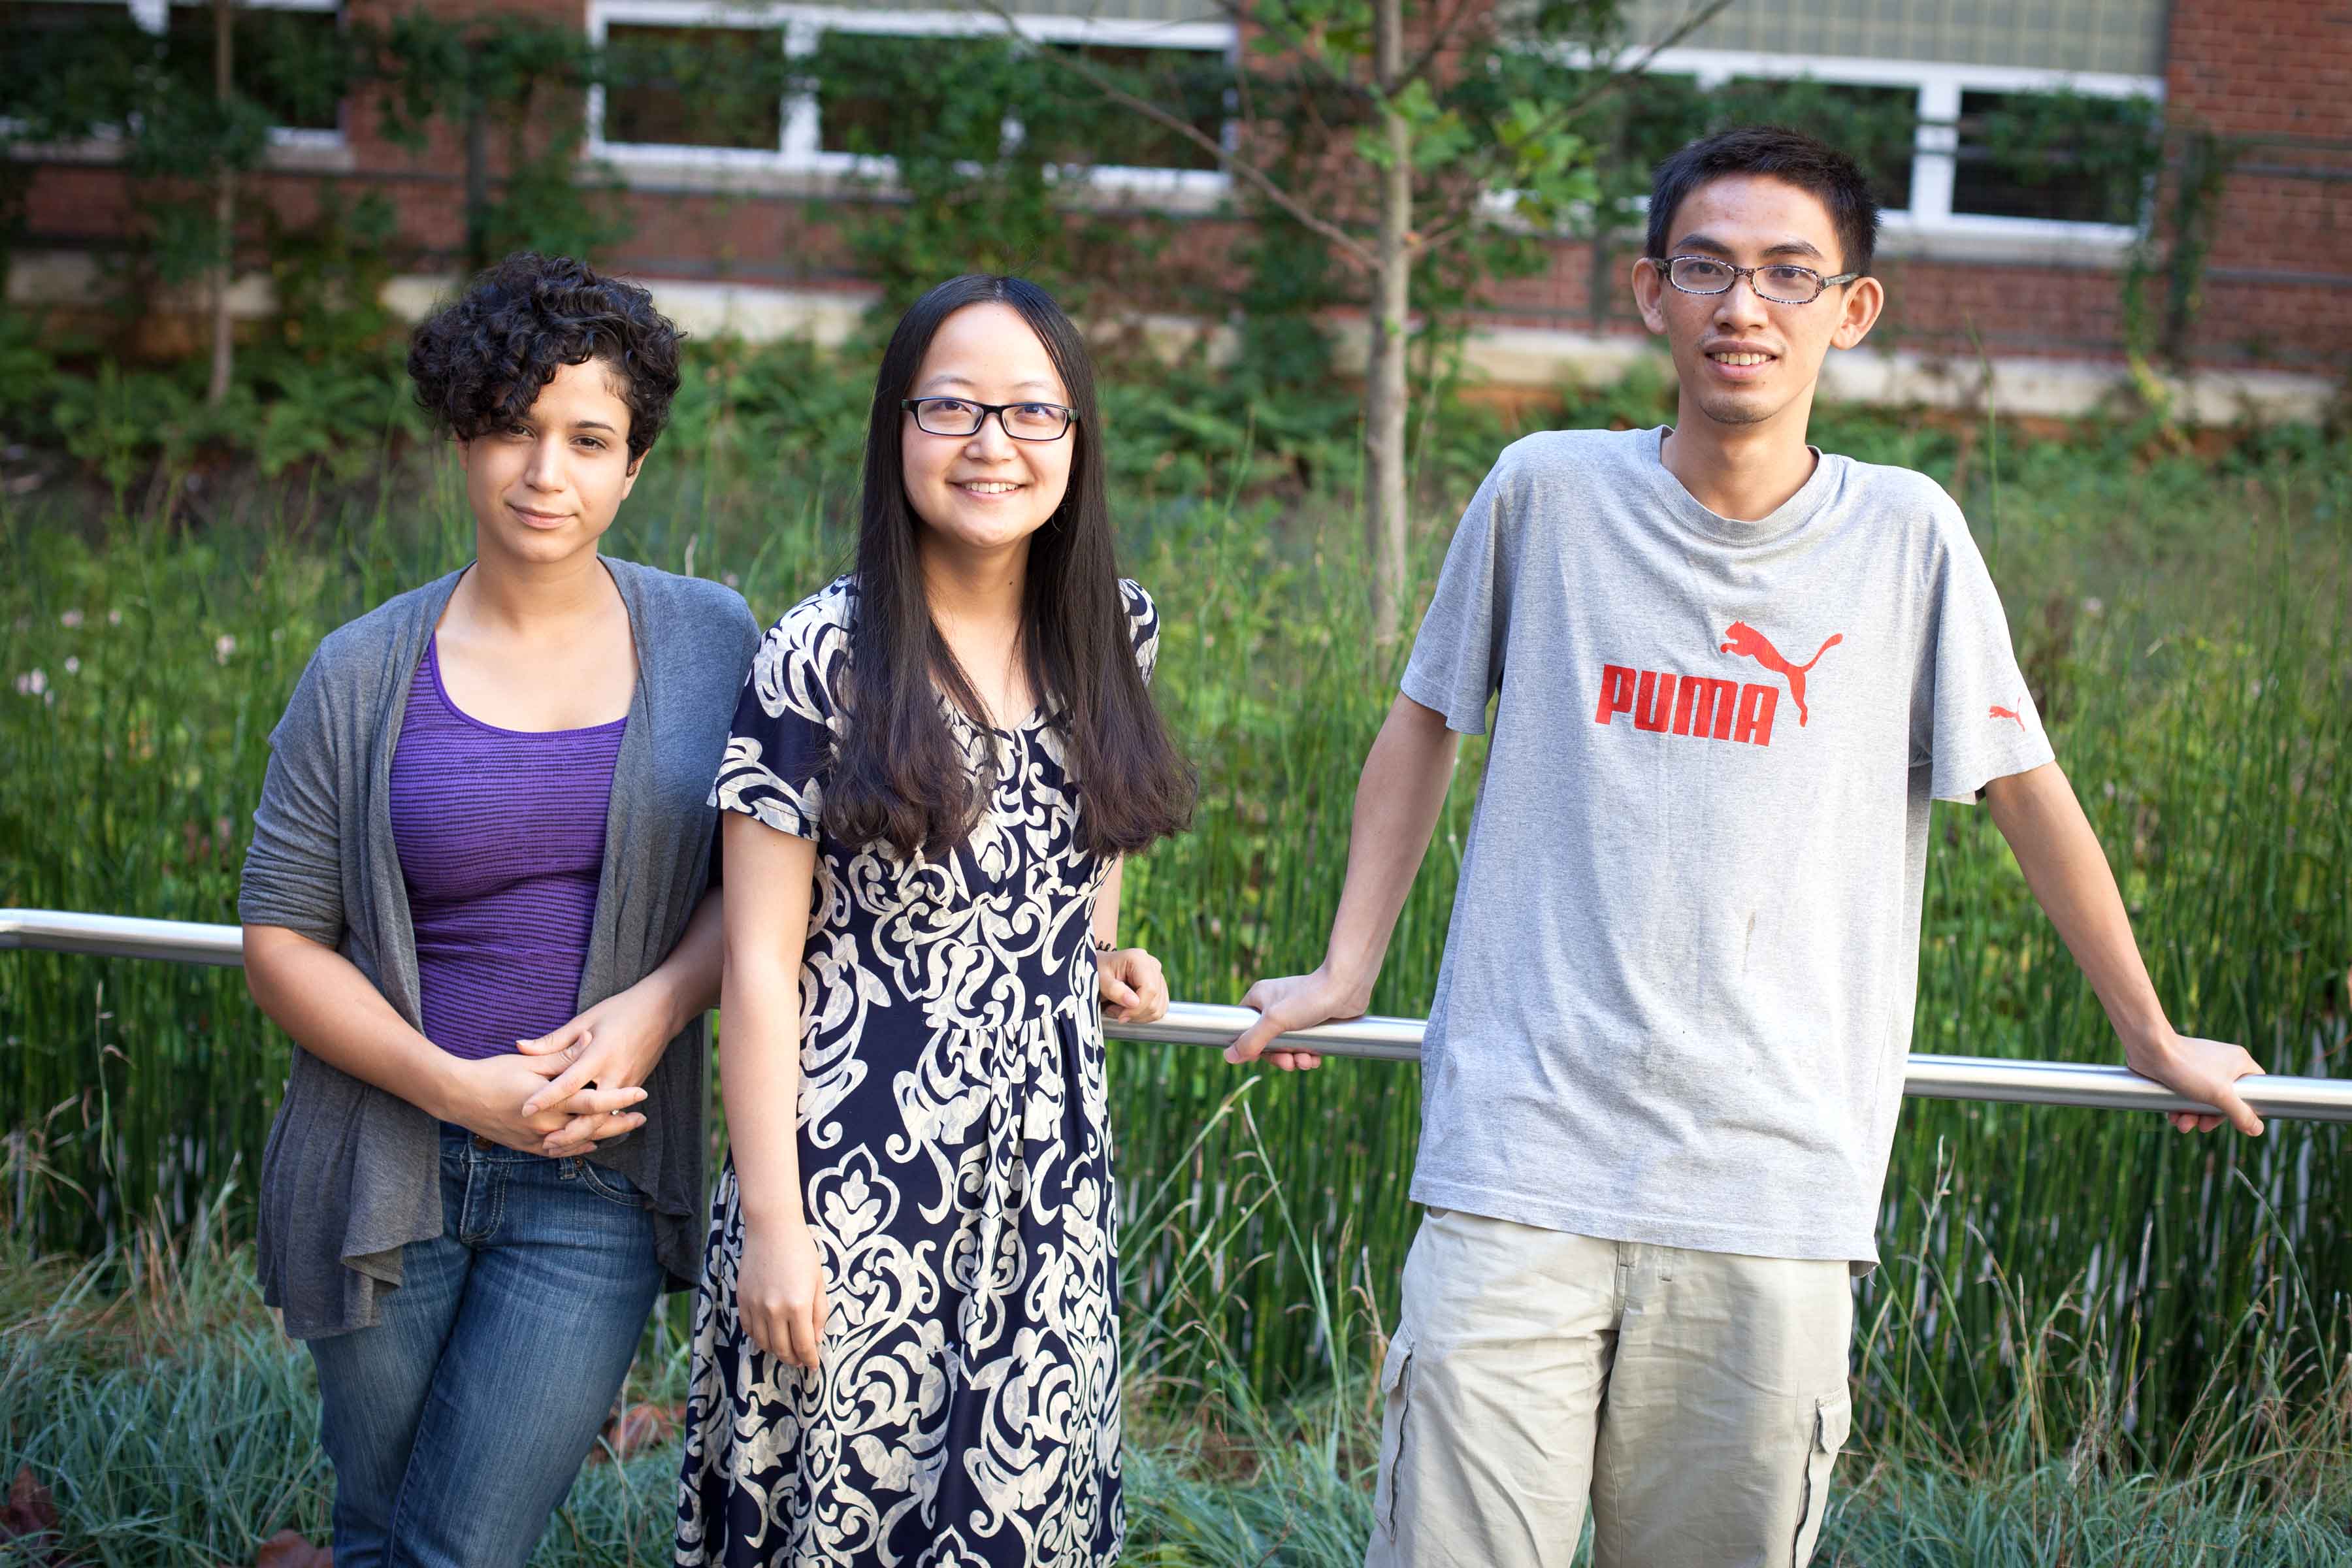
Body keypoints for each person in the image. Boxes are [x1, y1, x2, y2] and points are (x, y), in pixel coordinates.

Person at [1226, 127, 2268, 1568]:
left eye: (1790, 274)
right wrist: (1348, 964)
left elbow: (2030, 793)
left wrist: (2150, 1033)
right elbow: (1421, 723)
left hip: (1773, 1189)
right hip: (1519, 1167)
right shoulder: (1547, 493)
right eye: (1708, 267)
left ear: (1855, 309)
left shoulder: (1908, 538)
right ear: (1652, 290)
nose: (1745, 307)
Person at [237, 252, 759, 1568]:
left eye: (589, 438)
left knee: (460, 1547)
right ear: (464, 441)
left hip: (595, 1178)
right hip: (383, 1166)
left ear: (634, 466)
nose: (547, 471)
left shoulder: (713, 640)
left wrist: (653, 1008)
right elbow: (282, 939)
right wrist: (460, 1091)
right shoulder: (360, 671)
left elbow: (757, 892)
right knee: (378, 1532)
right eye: (514, 428)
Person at [675, 274, 1194, 1567]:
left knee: (1019, 1520)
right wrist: (778, 1228)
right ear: (895, 428)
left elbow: (1085, 856)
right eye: (951, 405)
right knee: (843, 1521)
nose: (992, 442)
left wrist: (1105, 958)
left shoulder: (1110, 634)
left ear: (1076, 440)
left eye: (1033, 412)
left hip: (1045, 1186)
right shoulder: (822, 657)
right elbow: (756, 969)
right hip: (852, 1183)